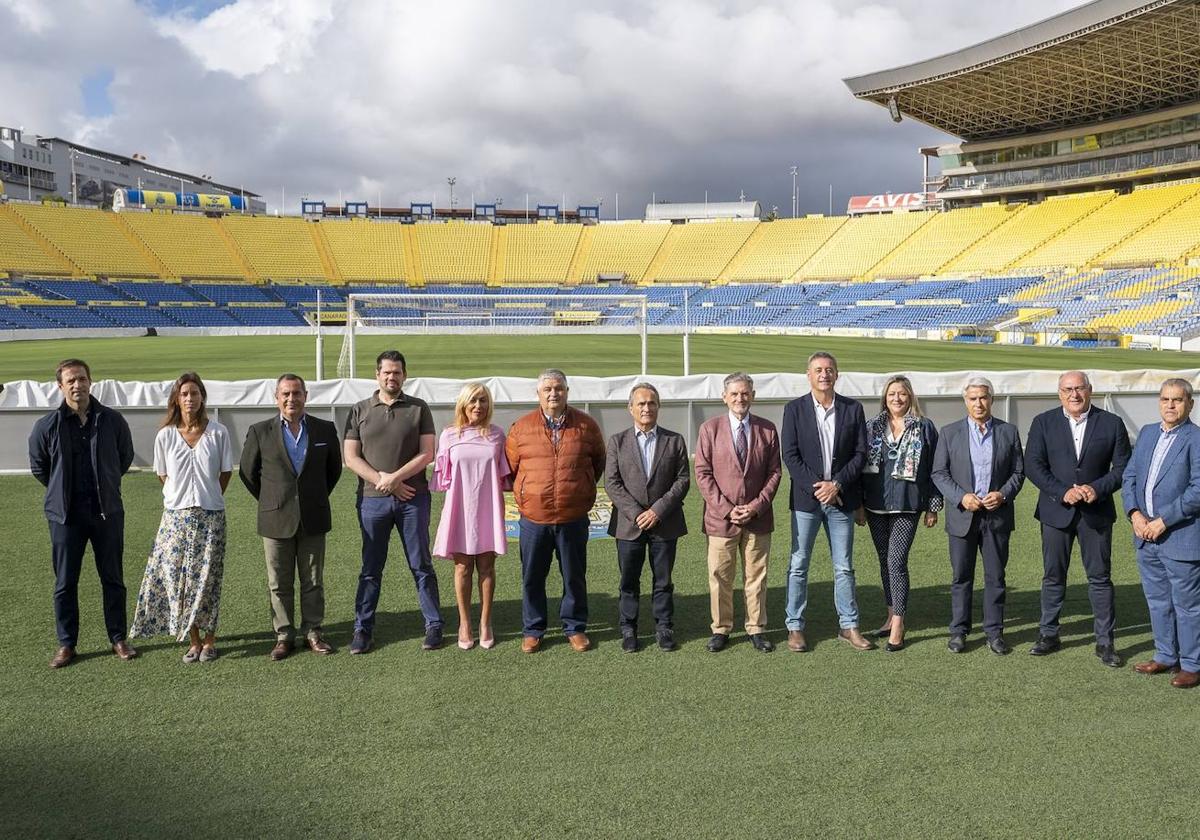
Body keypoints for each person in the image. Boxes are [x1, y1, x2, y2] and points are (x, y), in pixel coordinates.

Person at [29, 358, 137, 669]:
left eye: (82, 379)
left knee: (113, 579)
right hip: (65, 517)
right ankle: (67, 644)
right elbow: (40, 467)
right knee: (65, 582)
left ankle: (118, 638)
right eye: (71, 380)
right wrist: (61, 491)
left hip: (107, 513)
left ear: (91, 381)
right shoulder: (46, 425)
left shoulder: (112, 421)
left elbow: (124, 458)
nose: (77, 385)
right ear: (60, 386)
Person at [1024, 371, 1130, 668]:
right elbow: (1033, 464)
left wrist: (1097, 488)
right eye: (1068, 389)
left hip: (1095, 514)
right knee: (1053, 575)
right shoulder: (1043, 422)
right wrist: (1062, 492)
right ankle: (1048, 634)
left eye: (1079, 388)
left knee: (1099, 578)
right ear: (1059, 393)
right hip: (1056, 513)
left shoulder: (1112, 423)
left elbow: (1122, 468)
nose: (1074, 394)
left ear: (1090, 390)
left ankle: (1105, 641)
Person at [343, 350, 443, 654]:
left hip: (413, 499)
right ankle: (363, 629)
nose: (391, 377)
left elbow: (428, 453)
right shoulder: (360, 409)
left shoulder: (418, 408)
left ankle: (434, 625)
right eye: (386, 372)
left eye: (397, 372)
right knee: (371, 567)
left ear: (404, 375)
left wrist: (395, 479)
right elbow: (350, 457)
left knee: (421, 564)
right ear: (377, 375)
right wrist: (382, 482)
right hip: (372, 502)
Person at [129, 372, 233, 662]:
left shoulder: (218, 433)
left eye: (195, 393)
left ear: (202, 397)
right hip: (175, 519)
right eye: (184, 394)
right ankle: (193, 640)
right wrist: (181, 500)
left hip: (211, 516)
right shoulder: (165, 436)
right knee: (180, 579)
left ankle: (210, 640)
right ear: (177, 398)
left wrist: (208, 497)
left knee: (208, 579)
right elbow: (164, 476)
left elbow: (225, 473)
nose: (190, 399)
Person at [239, 373, 343, 661]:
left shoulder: (324, 430)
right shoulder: (260, 431)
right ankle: (284, 635)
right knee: (279, 582)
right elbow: (248, 474)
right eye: (285, 394)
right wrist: (273, 501)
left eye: (296, 393)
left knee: (313, 580)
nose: (291, 399)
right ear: (276, 398)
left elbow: (333, 471)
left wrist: (313, 497)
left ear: (306, 396)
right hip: (275, 519)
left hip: (313, 517)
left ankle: (313, 632)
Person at [505, 369, 606, 654]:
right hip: (534, 518)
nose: (553, 393)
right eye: (547, 389)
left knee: (574, 575)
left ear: (567, 392)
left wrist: (580, 488)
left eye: (559, 388)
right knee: (532, 575)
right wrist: (530, 493)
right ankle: (533, 629)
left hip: (573, 516)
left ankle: (574, 627)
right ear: (538, 394)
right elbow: (512, 468)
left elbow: (597, 462)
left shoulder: (586, 426)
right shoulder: (521, 428)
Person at [780, 351, 871, 653]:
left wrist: (837, 485)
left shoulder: (852, 408)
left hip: (841, 499)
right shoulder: (794, 409)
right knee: (798, 564)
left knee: (843, 567)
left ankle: (849, 625)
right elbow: (790, 456)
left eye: (829, 369)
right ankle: (794, 627)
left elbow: (860, 454)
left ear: (836, 374)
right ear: (808, 375)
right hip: (807, 501)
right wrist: (818, 487)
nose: (824, 374)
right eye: (818, 370)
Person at [932, 376, 1025, 655]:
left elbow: (1018, 472)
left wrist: (1003, 494)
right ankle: (959, 631)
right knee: (961, 576)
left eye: (983, 398)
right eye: (972, 399)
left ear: (991, 399)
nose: (978, 403)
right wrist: (962, 497)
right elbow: (939, 473)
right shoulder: (949, 433)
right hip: (963, 516)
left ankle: (994, 632)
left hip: (996, 517)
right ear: (965, 401)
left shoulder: (1009, 432)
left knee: (995, 577)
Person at [695, 372, 781, 653]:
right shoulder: (710, 429)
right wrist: (728, 510)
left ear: (753, 396)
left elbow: (774, 473)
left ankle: (756, 627)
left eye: (745, 393)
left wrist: (755, 507)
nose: (740, 399)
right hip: (721, 520)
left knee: (756, 576)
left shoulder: (767, 430)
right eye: (734, 394)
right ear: (724, 397)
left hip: (757, 520)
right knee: (720, 576)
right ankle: (721, 628)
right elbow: (703, 473)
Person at [1123, 378, 1200, 689]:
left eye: (1177, 400)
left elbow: (1197, 489)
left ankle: (1192, 664)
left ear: (1189, 405)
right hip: (1145, 535)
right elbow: (1130, 476)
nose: (1170, 405)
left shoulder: (1196, 439)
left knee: (1187, 605)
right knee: (1157, 601)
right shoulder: (1147, 433)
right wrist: (1135, 515)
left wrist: (1163, 521)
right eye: (1165, 399)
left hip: (1179, 537)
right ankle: (1166, 655)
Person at [856, 375, 942, 652]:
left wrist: (933, 506)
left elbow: (934, 469)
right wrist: (858, 504)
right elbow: (859, 467)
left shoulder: (924, 427)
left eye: (902, 394)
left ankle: (899, 623)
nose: (897, 399)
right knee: (884, 560)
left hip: (908, 504)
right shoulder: (871, 427)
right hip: (875, 504)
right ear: (885, 397)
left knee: (896, 560)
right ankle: (890, 613)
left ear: (910, 397)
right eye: (892, 394)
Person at [605, 382, 690, 653]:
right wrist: (637, 513)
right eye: (641, 403)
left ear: (658, 407)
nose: (646, 408)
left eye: (651, 403)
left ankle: (664, 627)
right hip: (628, 525)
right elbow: (612, 483)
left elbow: (682, 479)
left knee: (663, 581)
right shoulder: (617, 441)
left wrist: (657, 511)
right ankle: (628, 629)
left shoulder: (674, 440)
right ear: (630, 408)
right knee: (628, 581)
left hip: (665, 523)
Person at [431, 382, 509, 651]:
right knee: (462, 567)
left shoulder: (498, 435)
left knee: (487, 568)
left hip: (488, 508)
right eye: (473, 400)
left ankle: (485, 623)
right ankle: (464, 623)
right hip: (460, 509)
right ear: (463, 404)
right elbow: (443, 479)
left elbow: (504, 476)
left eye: (483, 401)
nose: (478, 406)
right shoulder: (449, 435)